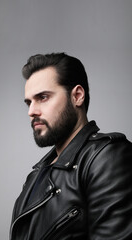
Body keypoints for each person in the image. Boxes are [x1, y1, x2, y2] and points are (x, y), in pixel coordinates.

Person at [10, 53, 132, 240]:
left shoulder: (107, 158)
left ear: (77, 96)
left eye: (42, 97)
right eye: (29, 102)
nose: (31, 111)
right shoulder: (35, 176)